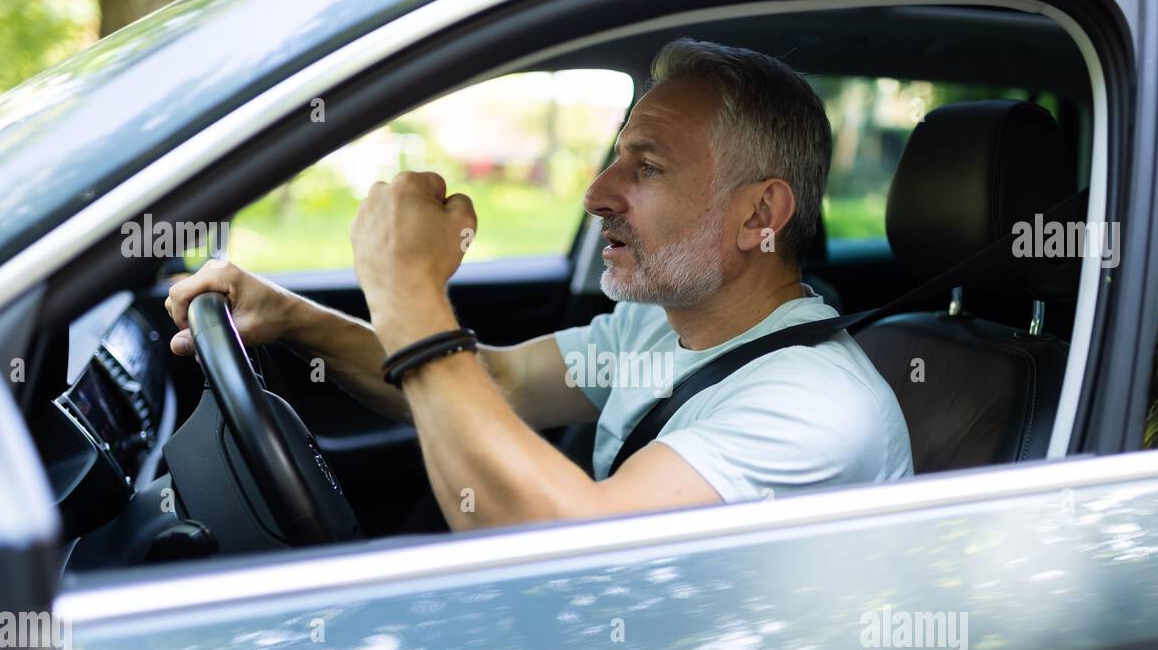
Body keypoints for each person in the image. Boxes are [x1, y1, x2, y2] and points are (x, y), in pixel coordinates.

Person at [165, 38, 912, 531]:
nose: (596, 192)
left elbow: (564, 550)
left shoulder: (814, 407)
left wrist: (406, 285)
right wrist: (290, 316)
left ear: (760, 215)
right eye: (617, 158)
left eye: (646, 167)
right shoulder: (663, 325)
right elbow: (497, 384)